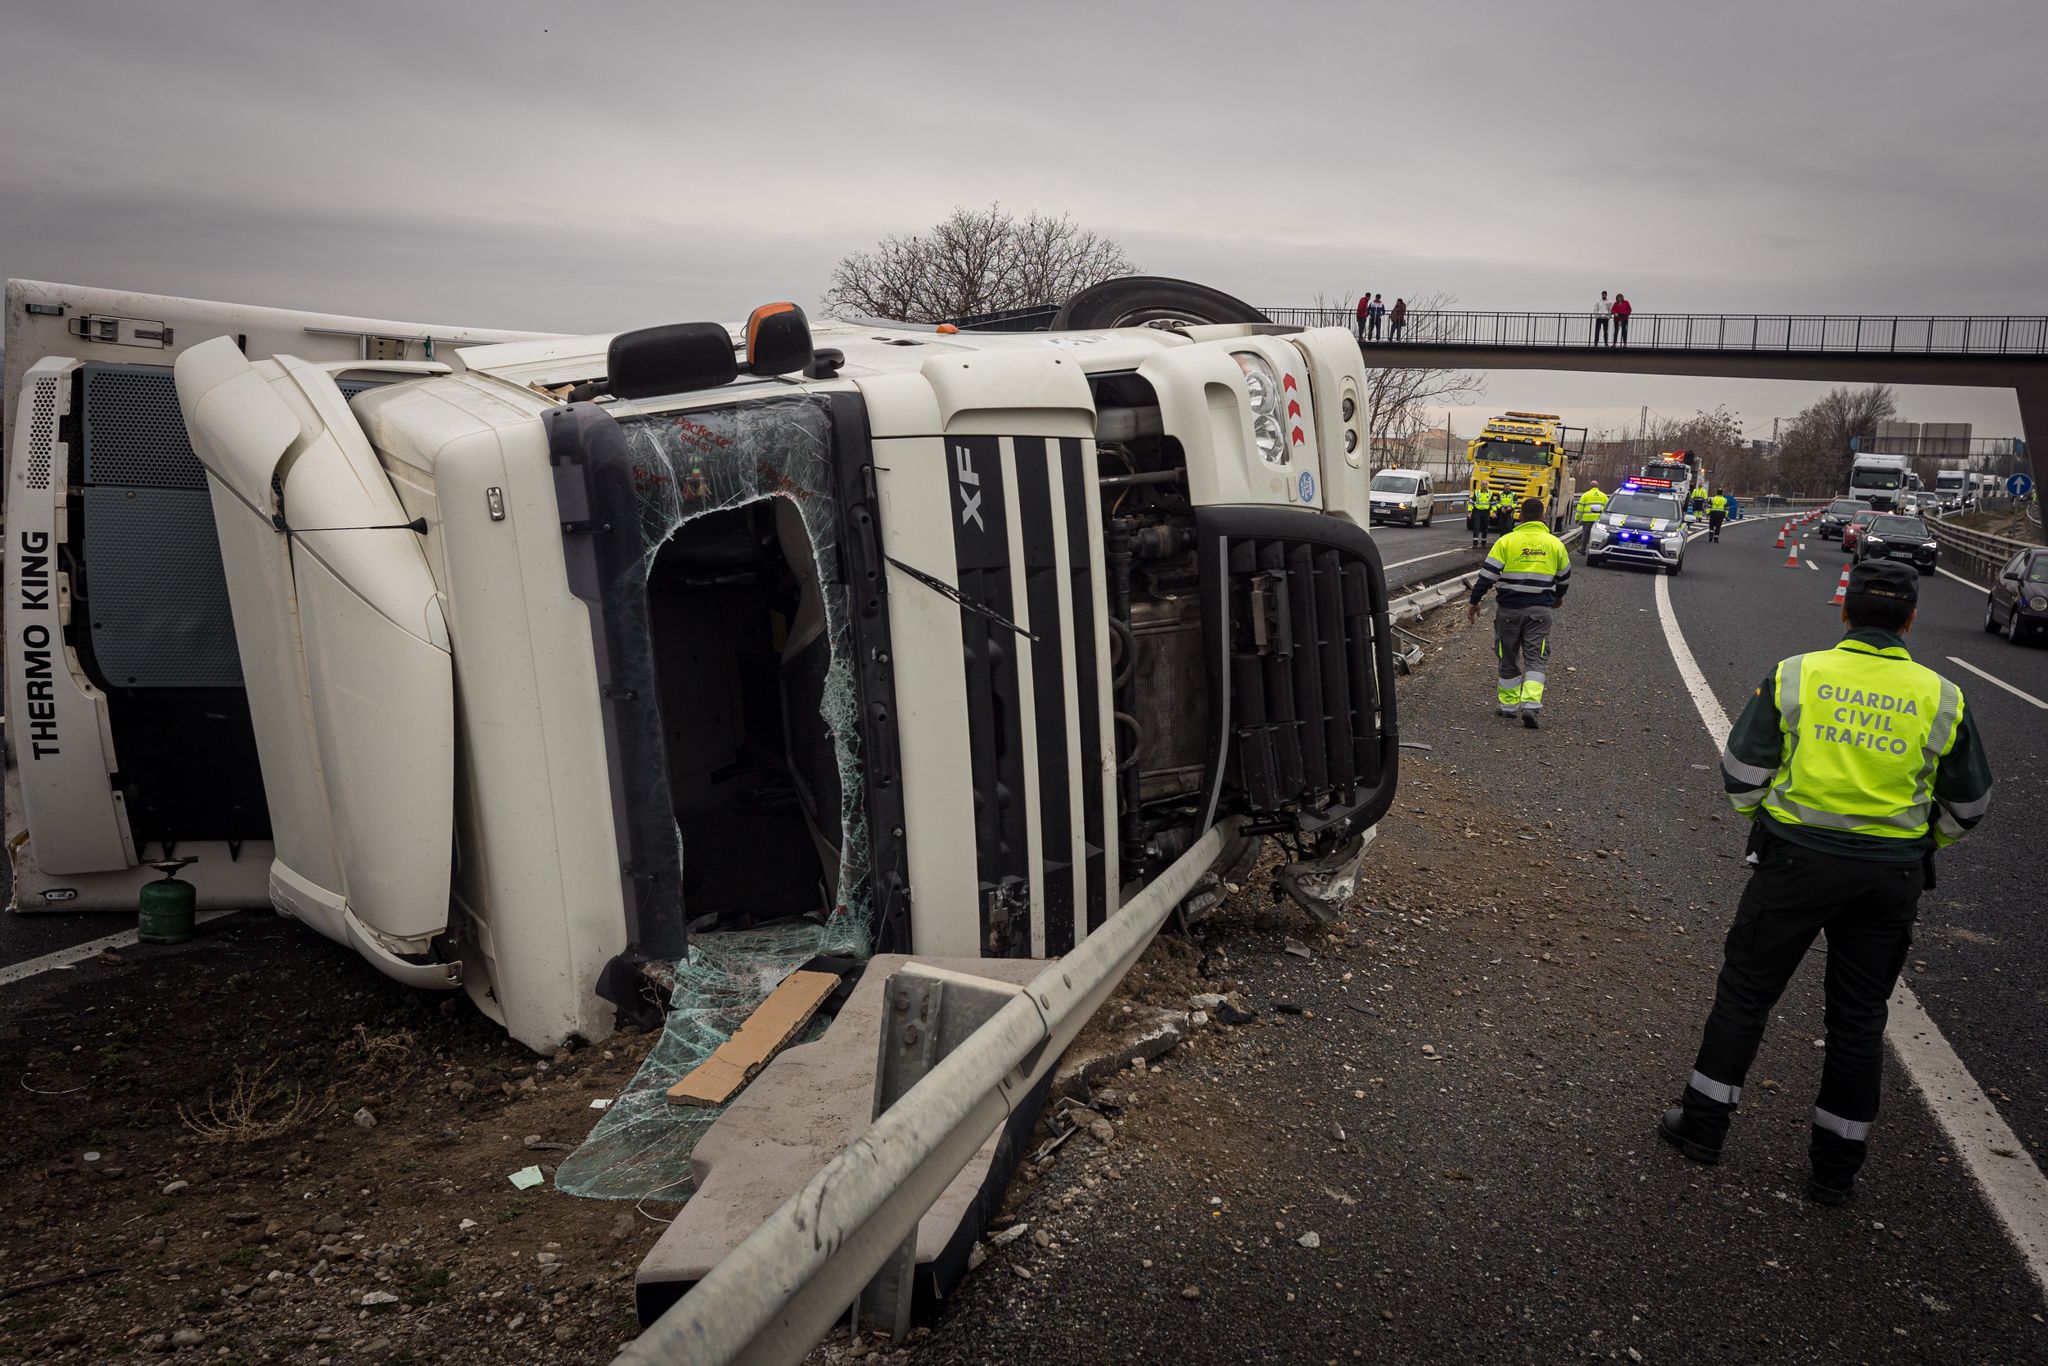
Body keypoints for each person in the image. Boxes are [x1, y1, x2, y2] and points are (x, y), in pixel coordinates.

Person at [1660, 560, 1992, 1205]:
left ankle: (1702, 1130)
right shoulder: (1943, 696)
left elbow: (1741, 771)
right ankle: (1834, 1172)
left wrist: (1775, 825)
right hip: (1889, 876)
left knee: (1746, 995)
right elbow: (1971, 804)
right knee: (1861, 1018)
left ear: (1846, 611)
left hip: (1794, 864)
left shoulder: (1797, 674)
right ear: (1911, 618)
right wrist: (1918, 841)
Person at [1466, 496, 1571, 729]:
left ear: (1520, 516)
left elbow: (1487, 576)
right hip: (1540, 611)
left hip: (1509, 611)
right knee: (1536, 658)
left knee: (1507, 655)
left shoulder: (1507, 541)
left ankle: (1509, 707)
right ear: (1544, 517)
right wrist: (1558, 597)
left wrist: (1474, 601)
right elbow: (1564, 577)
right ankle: (1531, 706)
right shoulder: (1555, 544)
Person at [1576, 481, 1609, 552]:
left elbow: (1580, 508)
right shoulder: (1604, 496)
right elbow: (1607, 508)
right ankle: (1598, 549)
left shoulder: (1585, 495)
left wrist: (1577, 518)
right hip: (1599, 519)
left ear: (1590, 486)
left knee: (1586, 535)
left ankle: (1583, 549)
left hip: (1587, 519)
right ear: (1598, 486)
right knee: (1598, 535)